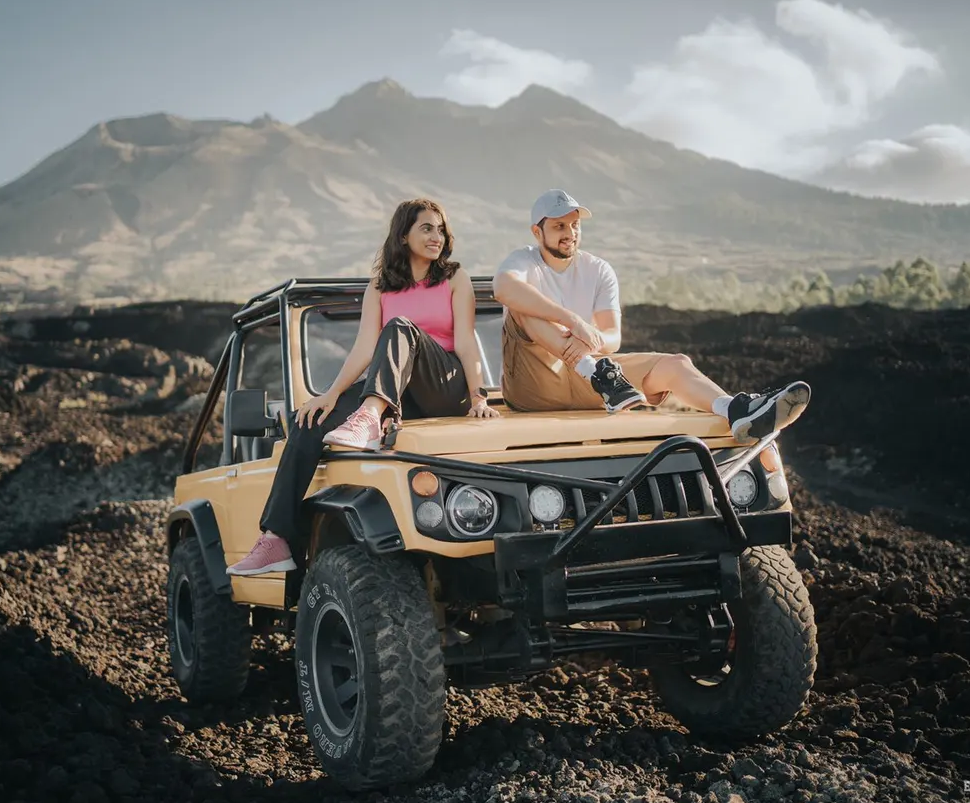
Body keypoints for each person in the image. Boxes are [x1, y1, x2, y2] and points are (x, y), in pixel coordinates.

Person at [226, 197, 501, 576]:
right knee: (307, 421)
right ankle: (276, 539)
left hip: (445, 386)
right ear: (403, 235)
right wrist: (330, 395)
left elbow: (467, 342)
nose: (436, 237)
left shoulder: (455, 278)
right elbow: (364, 348)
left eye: (441, 230)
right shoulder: (380, 287)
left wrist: (477, 397)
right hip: (399, 393)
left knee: (400, 327)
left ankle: (370, 416)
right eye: (426, 228)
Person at [493, 188, 811, 443]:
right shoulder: (524, 261)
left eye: (575, 225)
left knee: (675, 364)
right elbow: (503, 288)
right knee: (523, 306)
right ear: (537, 232)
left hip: (597, 384)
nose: (570, 232)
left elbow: (612, 337)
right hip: (534, 385)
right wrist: (574, 322)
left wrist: (593, 341)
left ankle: (735, 410)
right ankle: (595, 372)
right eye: (559, 226)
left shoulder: (598, 270)